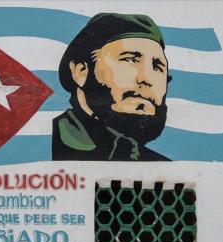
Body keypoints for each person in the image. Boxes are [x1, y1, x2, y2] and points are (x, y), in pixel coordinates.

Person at [53, 13, 171, 161]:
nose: (146, 78)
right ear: (81, 72)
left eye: (158, 66)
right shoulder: (50, 145)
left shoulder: (163, 167)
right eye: (130, 59)